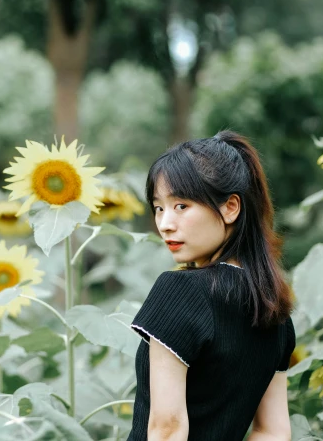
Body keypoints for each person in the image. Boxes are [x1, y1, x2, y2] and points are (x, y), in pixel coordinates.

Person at [128, 130, 295, 441]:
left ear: (231, 207)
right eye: (158, 207)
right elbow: (272, 432)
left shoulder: (179, 292)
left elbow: (168, 430)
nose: (165, 223)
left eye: (181, 206)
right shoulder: (274, 311)